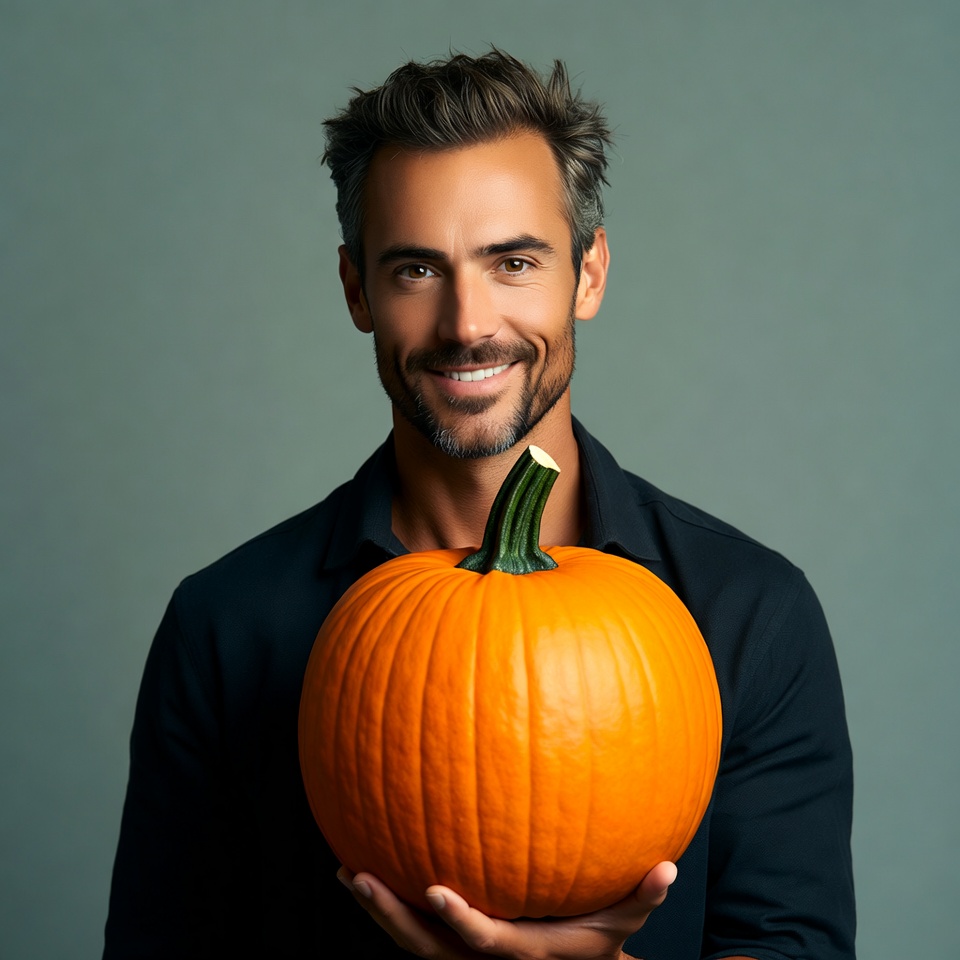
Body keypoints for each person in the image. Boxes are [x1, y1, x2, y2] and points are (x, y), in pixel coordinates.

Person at [104, 50, 855, 959]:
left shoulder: (748, 611)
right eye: (417, 270)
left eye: (514, 262)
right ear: (357, 290)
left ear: (588, 273)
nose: (467, 324)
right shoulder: (225, 627)